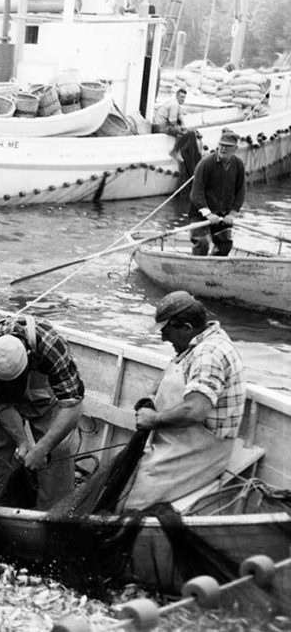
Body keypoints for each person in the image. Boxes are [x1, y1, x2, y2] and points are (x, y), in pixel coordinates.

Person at [122, 291, 245, 509]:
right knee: (127, 481)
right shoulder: (197, 343)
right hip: (176, 442)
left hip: (199, 453)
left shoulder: (208, 354)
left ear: (186, 328)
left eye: (166, 332)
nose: (163, 338)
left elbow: (196, 409)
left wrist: (154, 420)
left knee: (133, 501)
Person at [0, 315, 85, 510]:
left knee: (58, 452)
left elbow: (72, 405)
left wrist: (41, 449)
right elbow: (1, 405)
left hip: (42, 391)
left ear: (29, 355)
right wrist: (23, 444)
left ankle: (50, 518)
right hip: (0, 398)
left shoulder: (51, 347)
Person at [189, 129, 245, 256]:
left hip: (222, 213)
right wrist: (208, 214)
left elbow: (241, 191)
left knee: (225, 245)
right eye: (222, 145)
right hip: (200, 211)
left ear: (235, 148)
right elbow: (196, 193)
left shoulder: (239, 164)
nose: (224, 149)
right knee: (201, 243)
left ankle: (214, 268)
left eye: (228, 146)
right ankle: (198, 269)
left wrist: (232, 214)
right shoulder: (205, 163)